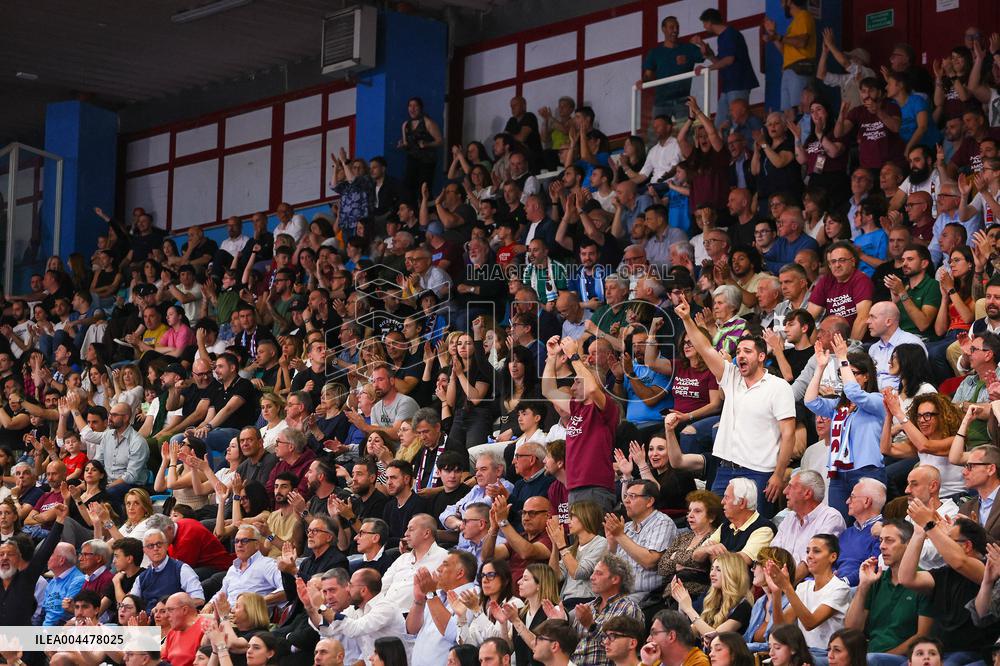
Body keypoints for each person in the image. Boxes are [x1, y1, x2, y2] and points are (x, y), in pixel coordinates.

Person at [677, 296, 795, 518]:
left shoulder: (778, 387)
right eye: (738, 351)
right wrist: (686, 319)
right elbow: (704, 348)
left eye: (747, 351)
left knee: (753, 528)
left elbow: (788, 435)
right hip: (724, 469)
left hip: (759, 472)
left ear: (761, 356)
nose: (740, 355)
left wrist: (778, 475)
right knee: (714, 525)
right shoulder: (731, 375)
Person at [897, 512, 998, 666]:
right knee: (876, 660)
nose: (941, 546)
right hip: (939, 652)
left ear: (967, 546)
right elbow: (906, 578)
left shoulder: (987, 568)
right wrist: (918, 533)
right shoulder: (944, 573)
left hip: (974, 652)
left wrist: (930, 526)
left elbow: (960, 562)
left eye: (948, 540)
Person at [804, 337, 887, 515]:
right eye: (844, 373)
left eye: (854, 373)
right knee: (838, 523)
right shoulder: (838, 406)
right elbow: (810, 401)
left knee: (866, 521)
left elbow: (854, 393)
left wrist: (843, 358)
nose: (847, 377)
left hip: (867, 471)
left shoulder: (877, 401)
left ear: (867, 376)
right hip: (839, 473)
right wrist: (820, 368)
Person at [843, 520, 932, 665]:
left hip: (905, 658)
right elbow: (851, 630)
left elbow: (922, 636)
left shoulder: (924, 582)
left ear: (909, 544)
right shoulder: (877, 580)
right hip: (870, 655)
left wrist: (881, 657)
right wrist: (863, 586)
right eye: (881, 540)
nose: (882, 546)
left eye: (889, 541)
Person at [766, 534, 852, 657]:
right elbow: (780, 628)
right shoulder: (804, 587)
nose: (809, 556)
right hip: (805, 653)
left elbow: (810, 623)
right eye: (807, 551)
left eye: (816, 551)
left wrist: (787, 587)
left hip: (827, 655)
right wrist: (776, 593)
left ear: (833, 557)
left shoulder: (840, 588)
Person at [407, 549, 479, 666]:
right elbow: (411, 630)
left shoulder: (472, 595)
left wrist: (430, 593)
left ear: (460, 573)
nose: (438, 569)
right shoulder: (437, 595)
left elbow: (454, 634)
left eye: (445, 565)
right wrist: (419, 601)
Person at [671, 551, 752, 639]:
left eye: (718, 570)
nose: (712, 574)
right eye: (712, 569)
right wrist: (682, 605)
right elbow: (687, 635)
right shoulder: (713, 600)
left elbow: (715, 637)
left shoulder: (743, 606)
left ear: (732, 573)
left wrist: (689, 609)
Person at [545, 501, 608, 608]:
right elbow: (554, 577)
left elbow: (579, 573)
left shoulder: (601, 543)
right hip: (566, 601)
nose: (568, 521)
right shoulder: (571, 549)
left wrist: (561, 545)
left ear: (586, 517)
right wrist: (555, 545)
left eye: (572, 516)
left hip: (586, 601)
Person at [641, 16, 703, 122]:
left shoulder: (688, 48)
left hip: (683, 100)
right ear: (663, 29)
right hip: (661, 101)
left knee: (685, 129)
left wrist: (701, 43)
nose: (675, 30)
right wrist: (643, 81)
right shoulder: (655, 53)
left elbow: (708, 54)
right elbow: (648, 75)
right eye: (672, 27)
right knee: (659, 130)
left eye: (677, 27)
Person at [763, 0, 817, 119]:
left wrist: (778, 37)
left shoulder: (804, 15)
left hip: (800, 68)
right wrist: (773, 34)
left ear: (790, 2)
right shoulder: (793, 24)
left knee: (801, 110)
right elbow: (784, 51)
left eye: (783, 2)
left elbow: (802, 42)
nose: (782, 6)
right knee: (788, 113)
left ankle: (805, 131)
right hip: (789, 69)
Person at [834, 478, 886, 587]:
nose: (847, 501)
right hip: (836, 586)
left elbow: (871, 567)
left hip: (859, 588)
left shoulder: (884, 531)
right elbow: (832, 563)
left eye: (852, 497)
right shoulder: (845, 533)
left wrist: (843, 582)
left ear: (866, 501)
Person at [641, 609, 710, 666]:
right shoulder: (654, 660)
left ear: (671, 636)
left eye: (654, 633)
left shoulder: (698, 662)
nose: (648, 639)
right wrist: (646, 663)